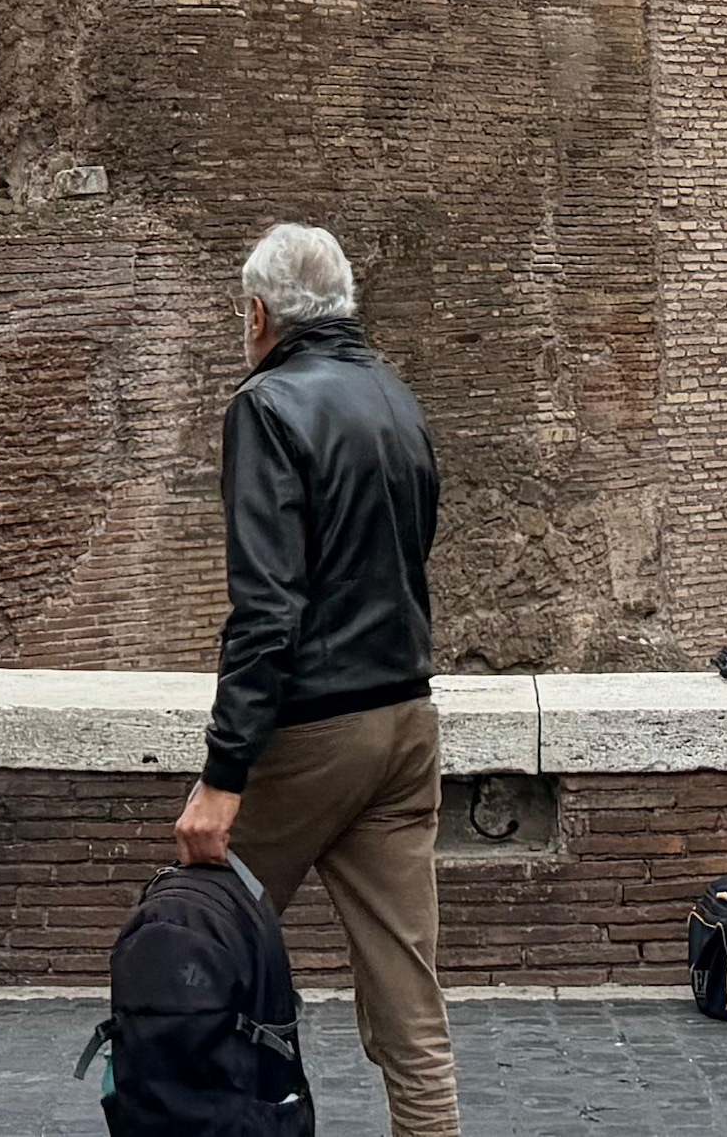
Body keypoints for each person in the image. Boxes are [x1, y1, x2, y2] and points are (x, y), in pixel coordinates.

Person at [170, 222, 454, 1137]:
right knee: (407, 991)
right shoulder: (395, 398)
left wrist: (222, 777)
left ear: (257, 314)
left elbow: (266, 612)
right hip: (406, 721)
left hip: (315, 732)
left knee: (192, 951)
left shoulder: (266, 407)